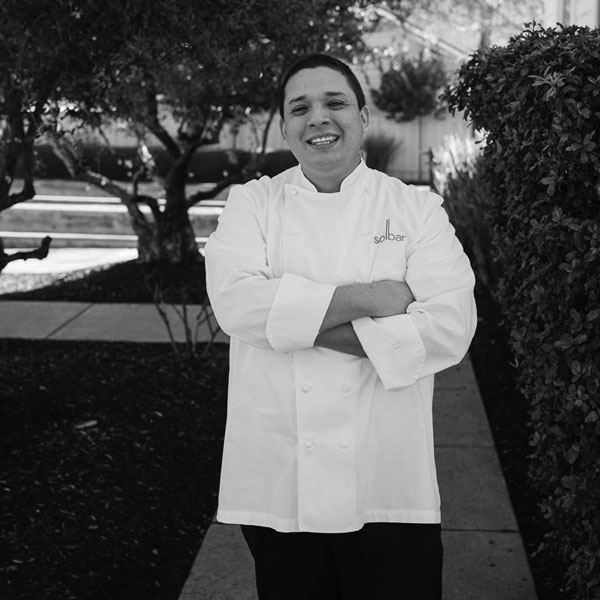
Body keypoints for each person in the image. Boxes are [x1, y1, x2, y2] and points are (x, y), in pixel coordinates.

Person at [204, 53, 477, 600]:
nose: (318, 118)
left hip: (387, 477)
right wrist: (375, 298)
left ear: (363, 116)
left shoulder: (417, 209)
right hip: (282, 477)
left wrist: (290, 321)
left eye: (335, 102)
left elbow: (449, 327)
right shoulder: (253, 204)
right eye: (299, 108)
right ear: (285, 127)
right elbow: (236, 304)